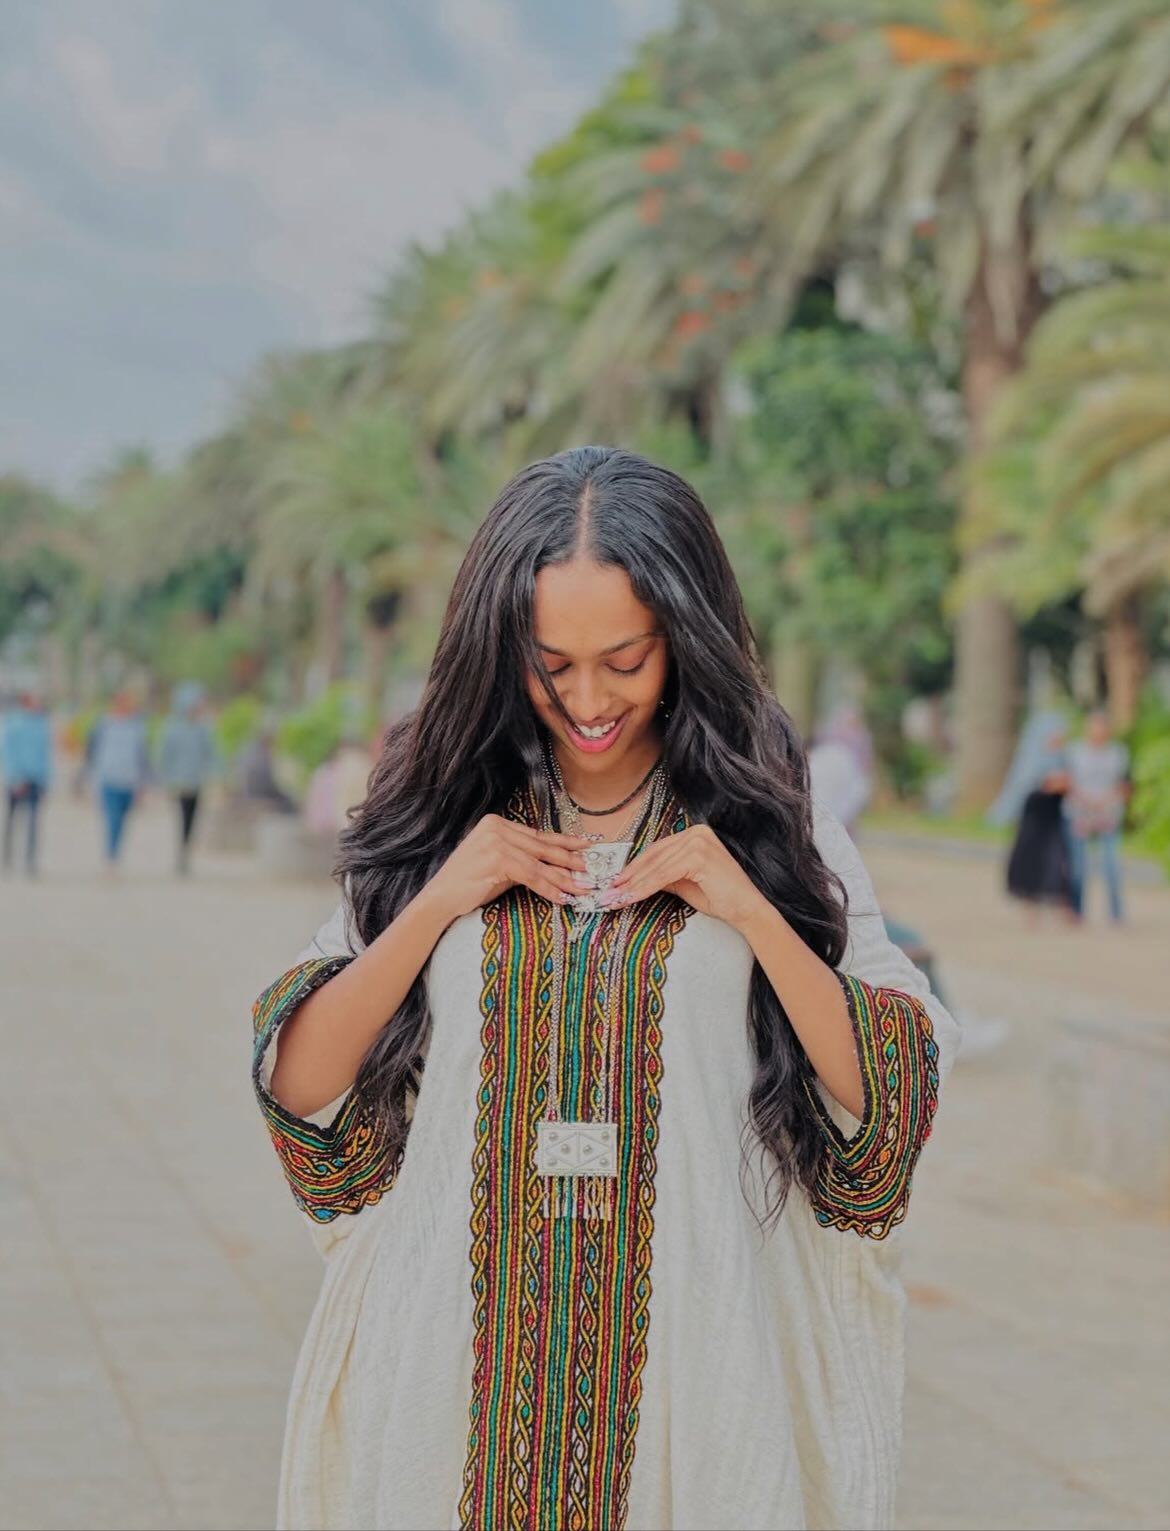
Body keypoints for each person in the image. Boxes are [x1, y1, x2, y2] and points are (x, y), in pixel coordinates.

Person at [250, 447, 959, 1531]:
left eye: (626, 660)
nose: (588, 700)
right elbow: (301, 1086)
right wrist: (444, 897)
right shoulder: (441, 810)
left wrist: (750, 911)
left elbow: (889, 1107)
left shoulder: (776, 821)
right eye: (552, 663)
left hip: (699, 1364)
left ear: (687, 636)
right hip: (452, 1376)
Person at [988, 707, 1075, 920]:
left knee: (1059, 859)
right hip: (1035, 816)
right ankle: (1031, 906)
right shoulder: (1032, 757)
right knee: (1032, 860)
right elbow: (1033, 784)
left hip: (1053, 817)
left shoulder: (1063, 757)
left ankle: (1065, 907)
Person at [1065, 710, 1129, 924]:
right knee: (1078, 867)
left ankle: (1116, 912)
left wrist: (1105, 801)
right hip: (1079, 814)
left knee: (1111, 865)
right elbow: (1068, 782)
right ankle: (1076, 910)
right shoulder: (1075, 752)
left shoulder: (1118, 753)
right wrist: (1086, 801)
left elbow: (1124, 785)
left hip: (1107, 814)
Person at [156, 682, 219, 875]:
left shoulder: (202, 728)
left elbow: (211, 754)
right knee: (183, 817)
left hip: (196, 781)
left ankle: (186, 849)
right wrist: (165, 780)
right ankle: (183, 851)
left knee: (193, 818)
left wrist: (217, 774)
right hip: (179, 783)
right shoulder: (172, 728)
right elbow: (165, 756)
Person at [87, 692, 150, 868]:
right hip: (109, 778)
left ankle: (115, 852)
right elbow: (92, 752)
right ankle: (111, 855)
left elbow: (142, 756)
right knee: (112, 817)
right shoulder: (103, 725)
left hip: (129, 780)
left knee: (122, 820)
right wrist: (90, 777)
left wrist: (145, 781)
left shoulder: (137, 727)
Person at [2, 690, 53, 877]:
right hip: (16, 779)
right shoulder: (13, 724)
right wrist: (15, 777)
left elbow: (45, 755)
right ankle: (7, 858)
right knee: (12, 821)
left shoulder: (41, 725)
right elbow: (7, 752)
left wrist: (47, 779)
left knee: (33, 823)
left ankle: (30, 859)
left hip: (35, 779)